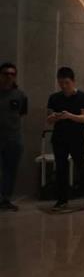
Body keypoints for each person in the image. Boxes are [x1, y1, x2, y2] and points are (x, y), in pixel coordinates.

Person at [47, 67, 84, 211]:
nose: (64, 86)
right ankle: (62, 200)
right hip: (59, 137)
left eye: (67, 83)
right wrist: (54, 117)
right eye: (61, 83)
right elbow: (48, 119)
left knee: (82, 167)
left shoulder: (82, 97)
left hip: (76, 137)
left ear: (73, 81)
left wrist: (69, 116)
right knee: (61, 169)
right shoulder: (54, 98)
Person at [0, 63, 27, 211]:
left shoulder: (20, 95)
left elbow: (21, 114)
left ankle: (5, 199)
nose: (9, 77)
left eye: (12, 74)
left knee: (10, 170)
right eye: (5, 74)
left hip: (13, 138)